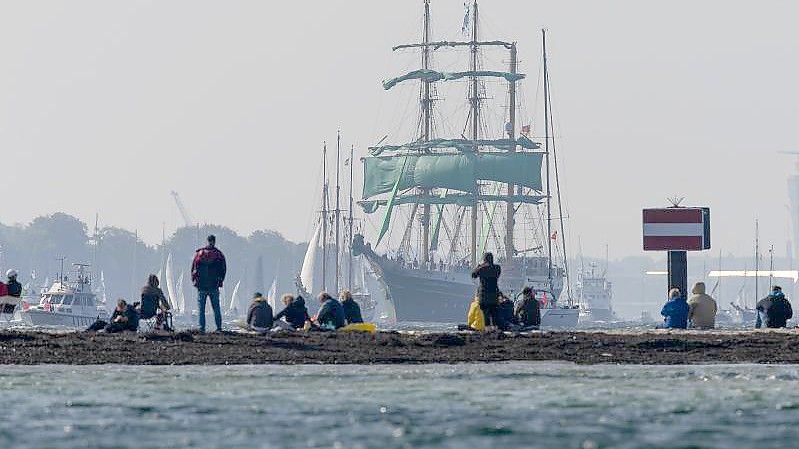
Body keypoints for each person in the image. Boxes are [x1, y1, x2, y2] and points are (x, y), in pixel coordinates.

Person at [191, 234, 227, 333]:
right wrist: (220, 281)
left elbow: (193, 269)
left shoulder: (199, 254)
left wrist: (195, 281)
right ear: (214, 242)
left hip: (201, 286)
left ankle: (201, 328)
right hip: (214, 285)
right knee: (216, 308)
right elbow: (223, 269)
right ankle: (219, 328)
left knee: (201, 309)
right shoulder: (219, 254)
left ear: (206, 241)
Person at [471, 252, 502, 328]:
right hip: (494, 294)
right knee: (494, 314)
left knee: (486, 315)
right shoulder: (497, 268)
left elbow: (473, 275)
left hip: (484, 295)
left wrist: (479, 266)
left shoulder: (482, 268)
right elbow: (497, 274)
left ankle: (488, 330)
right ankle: (495, 329)